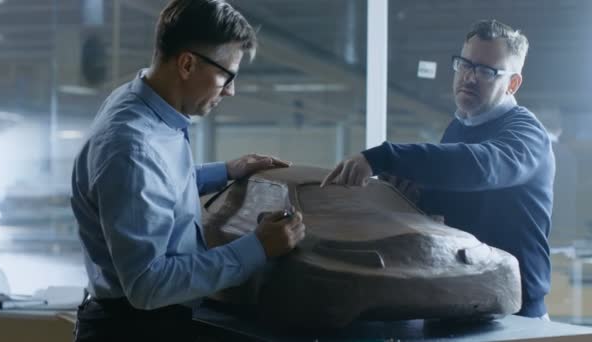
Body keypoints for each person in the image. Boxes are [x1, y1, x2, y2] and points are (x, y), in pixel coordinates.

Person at [70, 1, 306, 340]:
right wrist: (258, 248)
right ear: (187, 63)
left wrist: (225, 170)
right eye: (227, 75)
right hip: (133, 328)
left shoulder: (141, 106)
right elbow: (147, 284)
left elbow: (153, 186)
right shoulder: (132, 146)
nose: (231, 90)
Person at [321, 19, 554, 320]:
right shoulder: (458, 129)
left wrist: (385, 156)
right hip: (467, 300)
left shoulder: (527, 135)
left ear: (512, 83)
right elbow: (460, 205)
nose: (469, 77)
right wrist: (417, 196)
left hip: (517, 314)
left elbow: (480, 167)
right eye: (465, 64)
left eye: (486, 71)